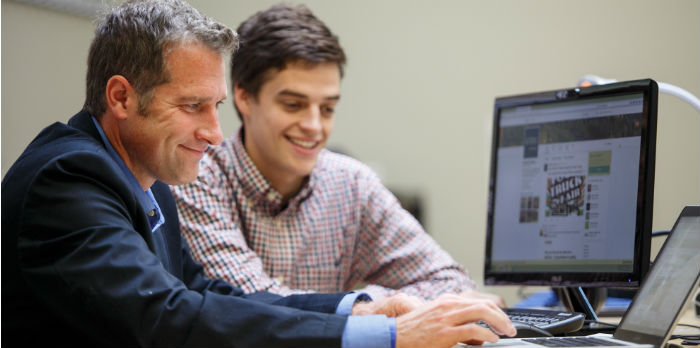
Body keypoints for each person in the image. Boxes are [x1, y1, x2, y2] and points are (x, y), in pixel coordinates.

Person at [1, 0, 515, 347]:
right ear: (121, 98)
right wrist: (391, 337)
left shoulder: (146, 176)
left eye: (216, 106)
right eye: (193, 106)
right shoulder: (70, 177)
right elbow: (166, 316)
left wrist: (356, 311)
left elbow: (205, 294)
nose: (213, 131)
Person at [172, 3, 504, 305]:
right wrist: (377, 304)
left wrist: (369, 302)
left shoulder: (351, 182)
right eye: (293, 105)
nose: (314, 126)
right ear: (244, 97)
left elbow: (453, 283)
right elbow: (256, 307)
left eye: (328, 108)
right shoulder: (195, 177)